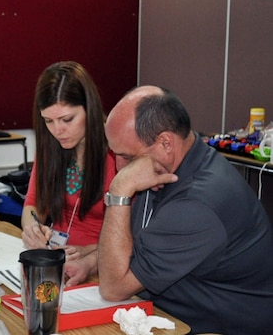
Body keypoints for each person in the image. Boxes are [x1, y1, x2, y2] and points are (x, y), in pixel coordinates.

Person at [97, 85, 273, 334]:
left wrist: (119, 191)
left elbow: (113, 288)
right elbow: (143, 243)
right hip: (170, 313)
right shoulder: (174, 164)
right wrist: (91, 258)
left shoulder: (197, 204)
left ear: (165, 143)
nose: (119, 166)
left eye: (125, 156)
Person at [21, 61, 116, 285]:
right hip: (59, 265)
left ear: (89, 109)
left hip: (101, 269)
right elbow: (32, 204)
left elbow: (133, 237)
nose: (57, 130)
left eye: (67, 119)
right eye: (48, 121)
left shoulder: (117, 152)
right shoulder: (50, 147)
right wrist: (31, 229)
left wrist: (89, 252)